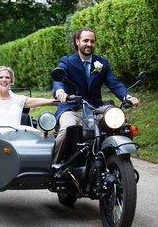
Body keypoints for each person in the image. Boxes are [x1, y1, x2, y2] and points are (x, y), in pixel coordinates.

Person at [53, 27, 139, 162]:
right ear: (77, 41)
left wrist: (127, 97)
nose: (89, 44)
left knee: (120, 124)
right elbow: (59, 79)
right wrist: (60, 92)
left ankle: (117, 160)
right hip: (72, 107)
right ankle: (54, 165)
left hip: (96, 108)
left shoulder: (102, 63)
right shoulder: (68, 61)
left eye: (92, 41)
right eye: (85, 40)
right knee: (67, 129)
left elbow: (114, 83)